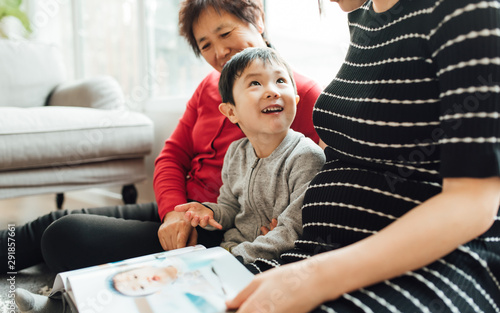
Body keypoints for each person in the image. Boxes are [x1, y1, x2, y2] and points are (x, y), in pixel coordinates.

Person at [214, 0, 500, 313]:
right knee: (197, 307)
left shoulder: (464, 9)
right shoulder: (362, 18)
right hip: (323, 250)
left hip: (436, 265)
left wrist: (316, 278)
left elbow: (472, 203)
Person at [0, 0, 322, 274]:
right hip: (183, 210)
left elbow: (312, 184)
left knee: (64, 237)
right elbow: (171, 156)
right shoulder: (209, 88)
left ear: (259, 20)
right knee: (51, 222)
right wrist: (173, 211)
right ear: (230, 110)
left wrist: (274, 230)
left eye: (225, 33)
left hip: (219, 231)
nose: (220, 51)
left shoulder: (296, 96)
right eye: (205, 44)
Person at [175, 47, 325, 264]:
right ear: (231, 112)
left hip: (262, 261)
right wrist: (208, 212)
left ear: (296, 99)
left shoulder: (306, 157)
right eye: (255, 83)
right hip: (228, 250)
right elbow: (230, 209)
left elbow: (292, 230)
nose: (272, 91)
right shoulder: (236, 153)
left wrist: (234, 258)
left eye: (281, 81)